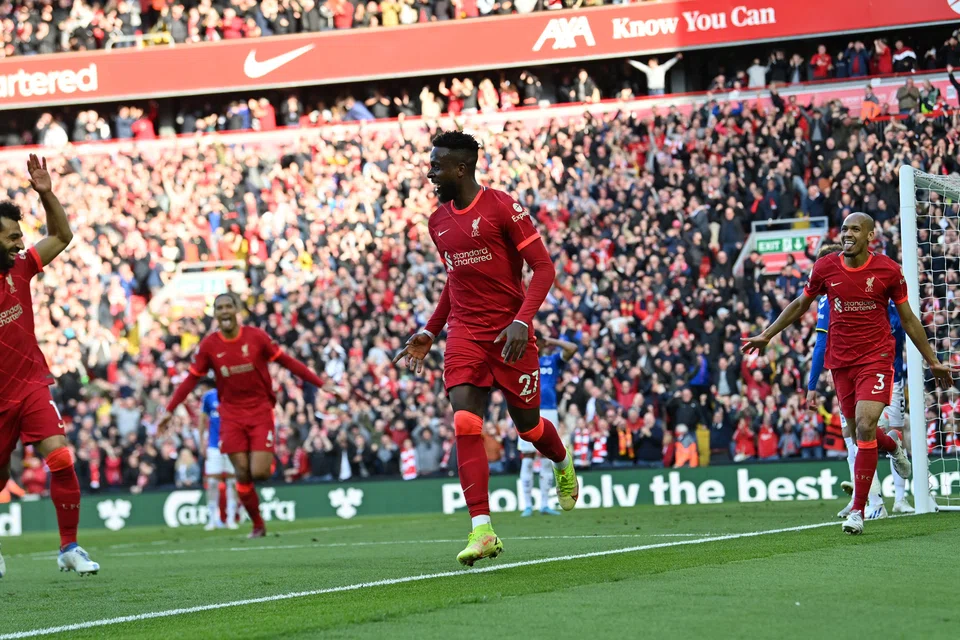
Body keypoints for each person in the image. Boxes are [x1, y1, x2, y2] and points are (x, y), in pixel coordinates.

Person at [394, 131, 578, 566]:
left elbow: (544, 268)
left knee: (529, 430)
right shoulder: (437, 221)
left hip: (510, 336)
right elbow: (453, 282)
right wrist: (431, 331)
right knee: (465, 423)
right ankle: (482, 530)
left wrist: (521, 320)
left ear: (461, 168)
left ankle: (562, 461)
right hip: (464, 334)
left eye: (437, 164)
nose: (430, 170)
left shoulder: (501, 207)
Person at [744, 212, 953, 535]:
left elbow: (909, 319)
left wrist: (933, 360)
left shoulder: (888, 271)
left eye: (855, 229)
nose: (847, 234)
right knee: (859, 435)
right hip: (841, 362)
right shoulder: (826, 267)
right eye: (844, 229)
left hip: (877, 357)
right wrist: (768, 334)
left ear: (870, 236)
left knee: (867, 425)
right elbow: (801, 304)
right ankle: (894, 447)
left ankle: (859, 510)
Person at [0, 155, 99, 577]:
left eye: (19, 236)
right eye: (10, 237)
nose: (19, 243)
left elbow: (62, 234)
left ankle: (69, 547)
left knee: (59, 457)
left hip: (31, 384)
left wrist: (46, 193)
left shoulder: (20, 268)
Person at [158, 293, 325, 538]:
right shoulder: (209, 345)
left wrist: (320, 384)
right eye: (219, 308)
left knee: (260, 472)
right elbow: (191, 379)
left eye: (228, 306)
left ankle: (261, 456)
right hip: (231, 415)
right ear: (215, 313)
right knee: (242, 475)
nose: (224, 312)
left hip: (260, 411)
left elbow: (287, 362)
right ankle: (258, 525)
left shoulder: (256, 338)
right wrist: (169, 410)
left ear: (237, 310)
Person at [806, 244, 885, 520]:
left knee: (861, 433)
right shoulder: (839, 289)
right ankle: (861, 498)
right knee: (860, 433)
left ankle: (872, 502)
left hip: (861, 367)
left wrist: (811, 385)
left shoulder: (830, 295)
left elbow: (821, 342)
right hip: (854, 367)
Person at [518, 331, 577, 517]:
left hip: (549, 410)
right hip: (527, 408)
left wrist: (549, 341)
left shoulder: (552, 360)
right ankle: (527, 505)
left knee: (546, 456)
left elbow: (572, 348)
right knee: (527, 456)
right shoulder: (522, 359)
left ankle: (544, 504)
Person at [199, 384, 239, 531]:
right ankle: (212, 519)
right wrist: (201, 441)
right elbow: (202, 420)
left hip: (232, 445)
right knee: (212, 482)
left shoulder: (235, 394)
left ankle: (230, 519)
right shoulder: (209, 397)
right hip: (214, 446)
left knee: (232, 482)